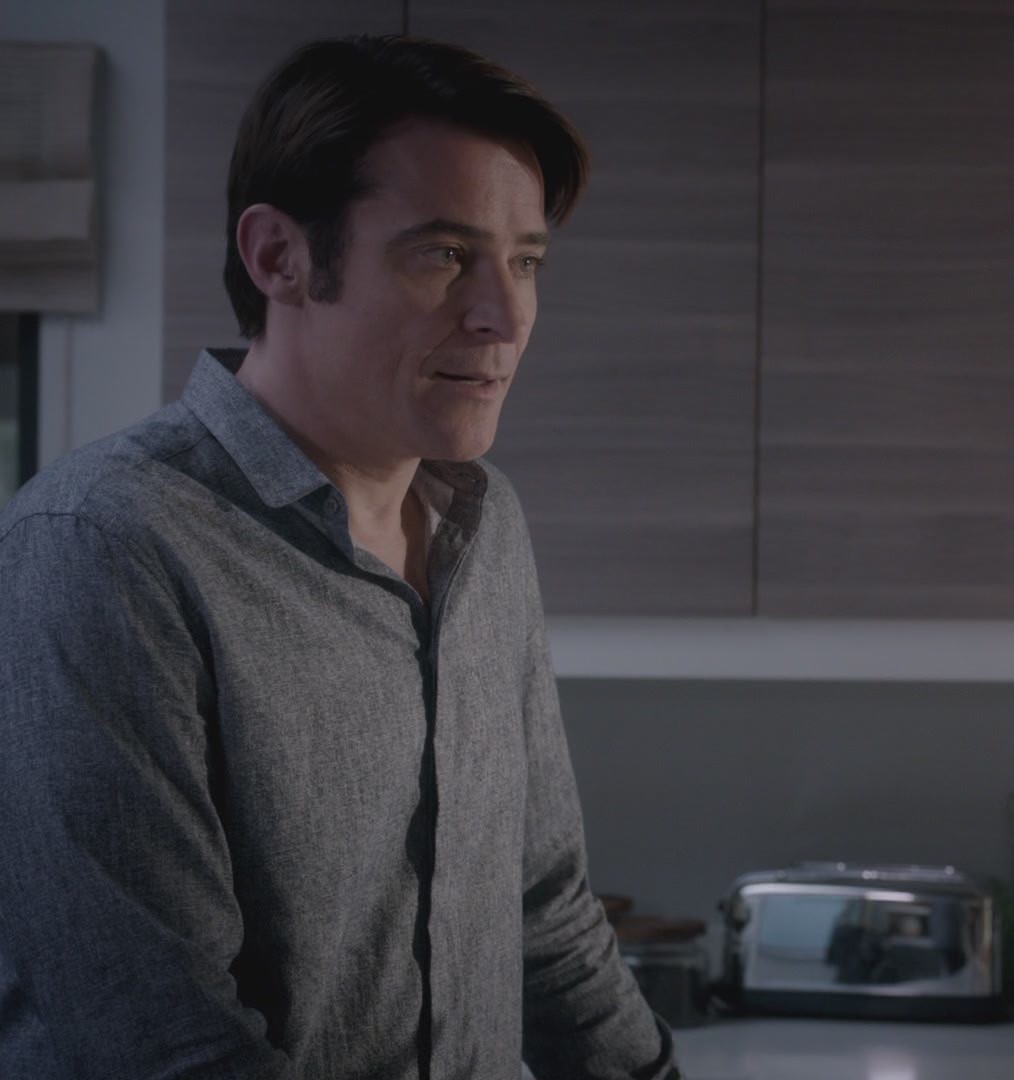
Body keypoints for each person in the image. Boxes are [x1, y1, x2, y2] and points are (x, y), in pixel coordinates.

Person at [0, 36, 678, 1079]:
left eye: (526, 262)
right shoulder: (106, 546)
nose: (505, 316)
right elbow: (162, 1042)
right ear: (279, 256)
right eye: (444, 254)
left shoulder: (485, 527)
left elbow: (544, 920)